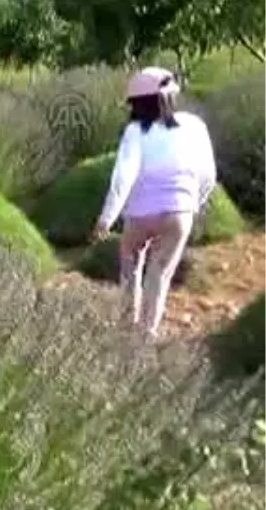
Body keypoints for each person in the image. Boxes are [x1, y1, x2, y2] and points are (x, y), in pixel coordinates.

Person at [89, 66, 217, 342]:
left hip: (141, 213)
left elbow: (123, 177)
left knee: (130, 264)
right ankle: (146, 336)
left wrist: (106, 220)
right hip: (180, 211)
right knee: (159, 275)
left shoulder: (135, 131)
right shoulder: (195, 125)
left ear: (136, 104)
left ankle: (126, 328)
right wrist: (194, 202)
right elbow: (208, 173)